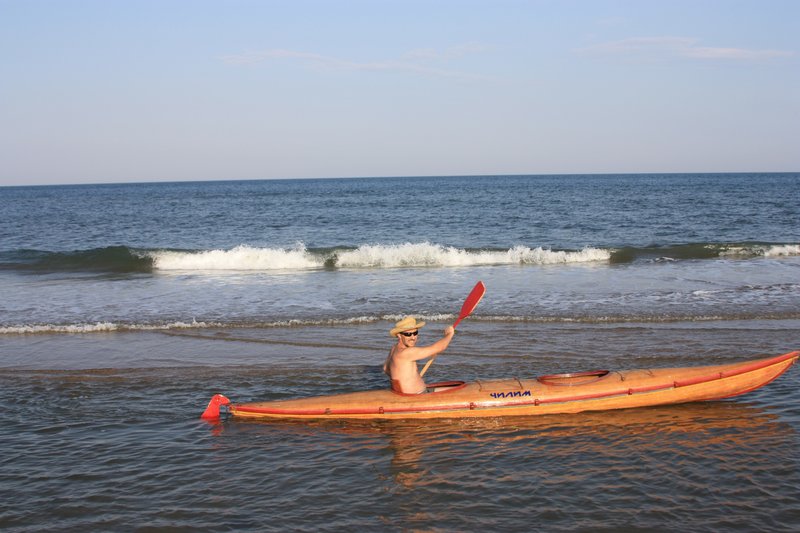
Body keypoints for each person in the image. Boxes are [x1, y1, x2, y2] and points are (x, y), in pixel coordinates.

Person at [383, 316, 455, 394]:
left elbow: (385, 368)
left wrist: (404, 379)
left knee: (455, 388)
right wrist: (450, 334)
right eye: (408, 334)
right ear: (399, 335)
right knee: (456, 391)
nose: (413, 337)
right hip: (418, 396)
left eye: (415, 333)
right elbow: (440, 347)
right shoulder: (407, 352)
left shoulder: (394, 349)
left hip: (410, 394)